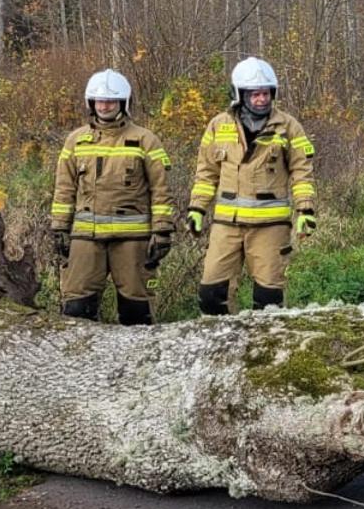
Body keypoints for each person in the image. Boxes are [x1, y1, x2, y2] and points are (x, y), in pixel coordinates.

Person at [189, 56, 318, 315]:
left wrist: (305, 211)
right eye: (255, 94)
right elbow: (206, 173)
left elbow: (302, 172)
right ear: (240, 95)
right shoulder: (218, 125)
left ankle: (264, 352)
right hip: (227, 225)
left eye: (266, 94)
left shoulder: (288, 127)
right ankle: (223, 347)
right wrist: (197, 209)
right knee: (212, 295)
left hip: (270, 227)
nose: (261, 99)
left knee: (268, 299)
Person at [49, 69, 174, 325]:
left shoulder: (145, 140)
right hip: (86, 237)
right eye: (99, 101)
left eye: (111, 101)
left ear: (123, 103)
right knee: (76, 308)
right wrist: (59, 227)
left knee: (136, 311)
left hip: (132, 239)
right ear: (91, 103)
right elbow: (64, 189)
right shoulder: (75, 141)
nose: (104, 106)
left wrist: (162, 231)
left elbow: (161, 190)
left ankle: (137, 361)